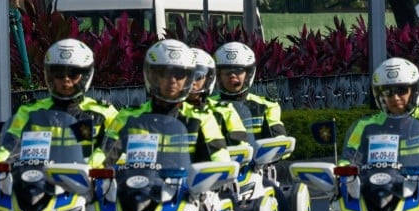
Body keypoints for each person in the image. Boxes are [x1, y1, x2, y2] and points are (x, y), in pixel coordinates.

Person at [91, 39, 229, 167]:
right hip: (138, 189)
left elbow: (220, 158)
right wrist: (87, 172)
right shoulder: (129, 117)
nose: (172, 80)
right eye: (165, 73)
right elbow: (104, 154)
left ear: (188, 78)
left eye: (180, 74)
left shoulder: (202, 118)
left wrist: (222, 175)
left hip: (187, 191)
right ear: (153, 76)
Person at [0, 38, 117, 163]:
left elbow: (115, 147)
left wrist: (92, 167)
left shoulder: (105, 113)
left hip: (88, 179)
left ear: (85, 76)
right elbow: (8, 146)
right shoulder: (29, 112)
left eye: (73, 74)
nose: (66, 79)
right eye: (59, 74)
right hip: (38, 179)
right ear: (50, 76)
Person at [339, 57, 419, 166]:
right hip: (376, 187)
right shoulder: (365, 126)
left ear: (413, 91)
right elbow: (348, 159)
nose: (395, 98)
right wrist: (343, 173)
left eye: (401, 90)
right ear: (380, 95)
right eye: (388, 92)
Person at [214, 41, 287, 139]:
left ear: (248, 74)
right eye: (227, 71)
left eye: (238, 70)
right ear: (219, 75)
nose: (232, 76)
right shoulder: (206, 107)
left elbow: (278, 142)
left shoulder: (266, 106)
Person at [187, 47, 249, 146]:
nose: (192, 81)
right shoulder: (162, 110)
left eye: (198, 76)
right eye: (186, 75)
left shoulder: (225, 110)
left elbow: (241, 147)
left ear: (208, 79)